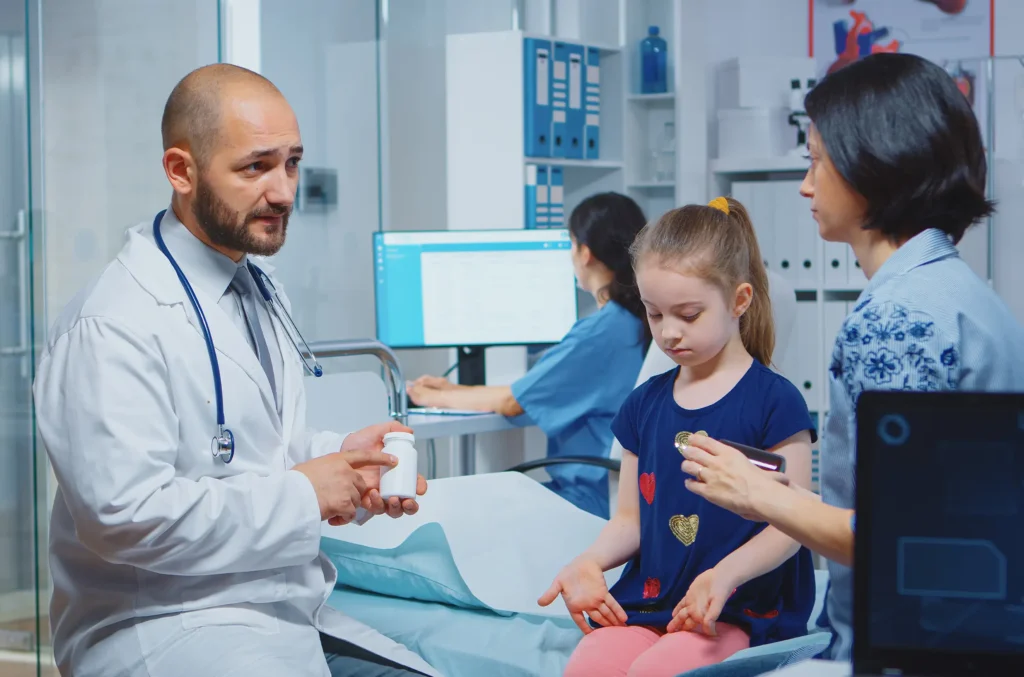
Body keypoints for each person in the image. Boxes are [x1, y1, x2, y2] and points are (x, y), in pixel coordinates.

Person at [33, 64, 440, 677]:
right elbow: (126, 518)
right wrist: (307, 492)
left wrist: (343, 461)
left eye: (293, 162)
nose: (284, 191)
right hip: (165, 628)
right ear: (181, 171)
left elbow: (248, 448)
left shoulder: (257, 285)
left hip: (273, 609)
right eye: (255, 167)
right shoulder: (112, 323)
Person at [679, 52, 1024, 675]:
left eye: (816, 160)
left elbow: (905, 542)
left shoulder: (897, 319)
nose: (806, 185)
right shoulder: (961, 293)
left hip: (918, 647)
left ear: (874, 162)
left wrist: (760, 495)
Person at [538, 197, 818, 677]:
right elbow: (630, 519)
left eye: (688, 315)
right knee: (587, 669)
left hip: (736, 605)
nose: (668, 333)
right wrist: (590, 562)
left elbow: (793, 523)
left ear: (739, 301)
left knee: (656, 671)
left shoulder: (776, 403)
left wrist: (724, 576)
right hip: (653, 599)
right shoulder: (644, 405)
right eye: (654, 314)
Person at [407, 192, 650, 519]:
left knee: (464, 508)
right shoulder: (641, 320)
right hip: (626, 497)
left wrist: (428, 398)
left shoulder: (600, 334)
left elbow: (513, 402)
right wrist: (452, 390)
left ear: (585, 252)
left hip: (589, 501)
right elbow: (525, 392)